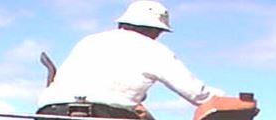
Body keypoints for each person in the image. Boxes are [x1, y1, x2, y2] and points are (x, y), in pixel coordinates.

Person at [37, 0, 223, 111]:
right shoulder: (155, 51)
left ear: (123, 23)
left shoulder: (88, 41)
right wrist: (229, 99)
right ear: (155, 30)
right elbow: (197, 94)